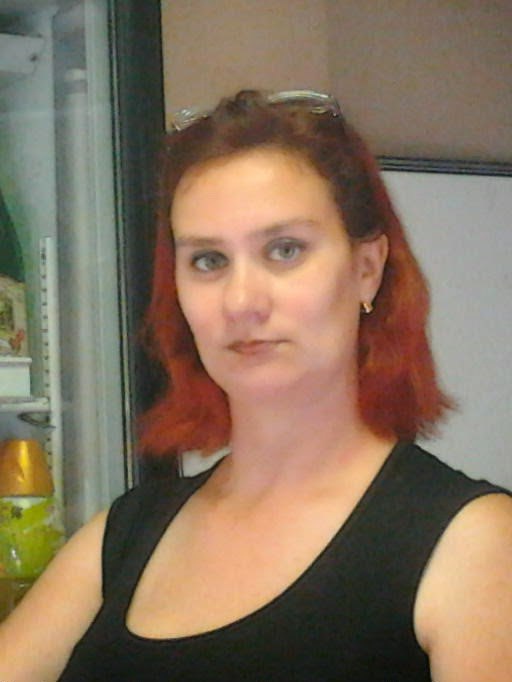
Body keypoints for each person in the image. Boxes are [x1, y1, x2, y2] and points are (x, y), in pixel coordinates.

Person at [1, 90, 511, 681]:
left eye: (284, 250)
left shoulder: (474, 543)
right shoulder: (122, 537)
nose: (241, 301)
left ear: (367, 269)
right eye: (208, 261)